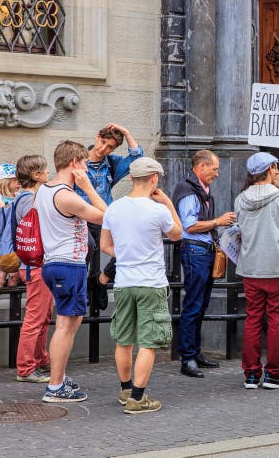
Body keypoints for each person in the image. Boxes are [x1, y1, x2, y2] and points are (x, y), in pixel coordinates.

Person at [100, 157, 182, 414]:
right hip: (151, 282)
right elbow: (177, 234)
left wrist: (125, 256)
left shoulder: (113, 208)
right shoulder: (157, 210)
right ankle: (138, 398)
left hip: (124, 282)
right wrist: (168, 203)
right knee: (148, 341)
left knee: (123, 339)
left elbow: (105, 246)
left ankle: (125, 390)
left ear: (132, 178)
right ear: (154, 179)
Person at [39, 141, 106, 402]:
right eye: (86, 164)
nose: (88, 170)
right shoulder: (67, 196)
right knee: (66, 326)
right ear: (75, 164)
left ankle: (58, 376)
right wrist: (88, 188)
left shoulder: (45, 190)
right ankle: (55, 387)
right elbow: (107, 216)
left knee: (68, 324)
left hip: (57, 263)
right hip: (68, 264)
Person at [236, 153, 279, 390]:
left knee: (252, 319)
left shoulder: (241, 199)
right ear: (273, 168)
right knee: (276, 320)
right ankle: (273, 373)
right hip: (277, 266)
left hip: (251, 266)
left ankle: (251, 373)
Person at [173, 150, 236, 378]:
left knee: (200, 305)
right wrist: (218, 222)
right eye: (214, 168)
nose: (217, 174)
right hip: (195, 251)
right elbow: (188, 226)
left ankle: (195, 353)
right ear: (201, 166)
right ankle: (187, 358)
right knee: (193, 305)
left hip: (202, 251)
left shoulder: (201, 188)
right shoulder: (189, 189)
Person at [76, 123, 144, 286]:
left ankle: (104, 278)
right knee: (85, 252)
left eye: (110, 147)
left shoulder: (112, 164)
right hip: (80, 219)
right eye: (103, 142)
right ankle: (82, 287)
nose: (103, 149)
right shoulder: (77, 161)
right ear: (97, 137)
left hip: (104, 218)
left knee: (130, 242)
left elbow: (136, 159)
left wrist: (127, 133)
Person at [13, 156, 52, 384]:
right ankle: (27, 368)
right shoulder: (30, 200)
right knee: (35, 318)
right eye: (46, 170)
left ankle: (39, 360)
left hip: (34, 266)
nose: (49, 173)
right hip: (35, 266)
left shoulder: (26, 198)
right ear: (36, 175)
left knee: (42, 317)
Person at [0, 163, 20, 288]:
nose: (18, 183)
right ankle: (2, 276)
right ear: (5, 182)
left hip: (14, 229)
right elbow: (4, 208)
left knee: (15, 252)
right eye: (15, 180)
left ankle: (13, 276)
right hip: (2, 231)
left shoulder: (17, 196)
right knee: (6, 253)